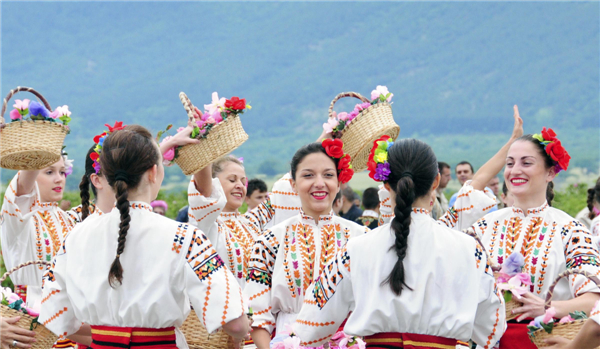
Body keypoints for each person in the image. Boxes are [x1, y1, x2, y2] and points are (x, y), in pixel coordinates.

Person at [39, 125, 250, 347]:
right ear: (152, 172)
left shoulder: (75, 237)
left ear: (107, 176)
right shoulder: (185, 237)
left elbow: (55, 314)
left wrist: (112, 334)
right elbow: (236, 324)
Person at [293, 138, 505, 348]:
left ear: (386, 184)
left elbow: (312, 326)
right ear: (436, 181)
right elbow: (492, 328)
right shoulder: (470, 250)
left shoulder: (356, 249)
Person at [467, 123, 600, 349]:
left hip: (544, 342)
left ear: (550, 172)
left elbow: (594, 299)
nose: (515, 170)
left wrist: (549, 307)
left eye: (526, 162)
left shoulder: (571, 230)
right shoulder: (482, 228)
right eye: (509, 164)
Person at [244, 139, 368, 349]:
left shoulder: (361, 238)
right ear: (293, 184)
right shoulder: (269, 241)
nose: (319, 183)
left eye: (328, 175)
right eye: (308, 175)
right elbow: (258, 313)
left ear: (339, 183)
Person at [187, 156, 275, 288]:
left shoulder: (251, 221)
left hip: (256, 306)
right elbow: (203, 188)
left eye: (243, 181)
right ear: (213, 183)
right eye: (232, 180)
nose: (240, 185)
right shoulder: (206, 222)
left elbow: (285, 192)